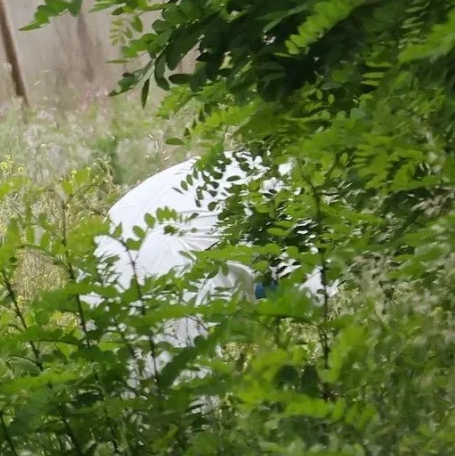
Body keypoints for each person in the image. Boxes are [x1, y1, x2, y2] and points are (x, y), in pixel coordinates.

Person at [88, 152, 328, 380]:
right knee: (184, 404)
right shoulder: (306, 195)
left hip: (101, 262)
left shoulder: (235, 166)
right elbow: (317, 311)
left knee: (118, 392)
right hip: (168, 271)